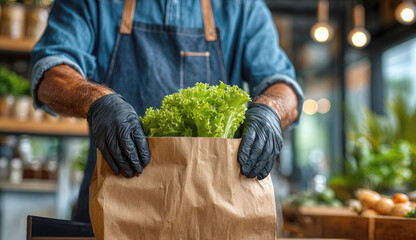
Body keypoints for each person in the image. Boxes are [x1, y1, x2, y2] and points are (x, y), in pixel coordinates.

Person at [31, 0, 303, 223]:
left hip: (216, 213)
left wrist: (271, 111)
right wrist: (98, 100)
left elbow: (283, 85)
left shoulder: (242, 8)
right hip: (117, 206)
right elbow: (50, 72)